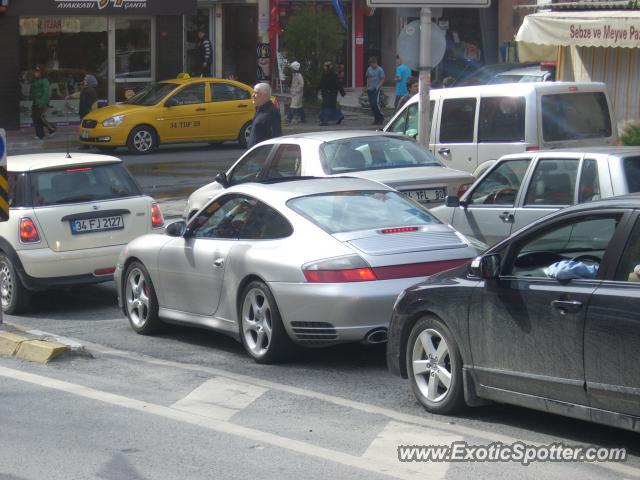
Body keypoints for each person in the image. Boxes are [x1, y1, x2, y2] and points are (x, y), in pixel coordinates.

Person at [247, 82, 282, 148]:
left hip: (263, 155)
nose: (253, 95)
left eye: (256, 93)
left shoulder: (272, 112)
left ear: (264, 95)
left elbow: (275, 137)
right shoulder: (259, 110)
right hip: (254, 155)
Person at [30, 65, 56, 140]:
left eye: (37, 72)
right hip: (35, 102)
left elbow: (45, 93)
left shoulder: (45, 80)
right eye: (35, 72)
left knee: (40, 118)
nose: (35, 73)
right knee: (35, 118)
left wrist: (42, 103)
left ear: (41, 72)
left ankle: (52, 129)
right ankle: (40, 134)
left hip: (41, 103)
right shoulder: (35, 80)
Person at [316, 61, 345, 126]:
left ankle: (325, 121)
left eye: (325, 66)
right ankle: (340, 116)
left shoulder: (333, 75)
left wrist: (342, 92)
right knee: (331, 107)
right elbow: (321, 83)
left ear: (327, 67)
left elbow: (338, 84)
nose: (324, 67)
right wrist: (316, 89)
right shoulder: (324, 74)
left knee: (326, 107)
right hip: (326, 93)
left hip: (331, 94)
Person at [365, 56, 386, 125]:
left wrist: (378, 86)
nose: (372, 65)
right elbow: (367, 77)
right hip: (369, 89)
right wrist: (367, 87)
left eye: (373, 64)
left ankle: (381, 117)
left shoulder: (380, 70)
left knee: (375, 104)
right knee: (372, 105)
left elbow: (383, 79)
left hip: (376, 89)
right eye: (370, 64)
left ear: (375, 63)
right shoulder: (369, 69)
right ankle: (376, 118)